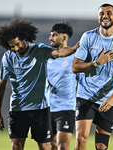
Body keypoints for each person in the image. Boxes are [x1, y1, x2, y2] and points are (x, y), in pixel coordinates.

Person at [0, 19, 79, 150]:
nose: (15, 49)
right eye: (12, 46)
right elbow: (1, 85)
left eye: (17, 44)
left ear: (23, 38)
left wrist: (75, 47)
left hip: (40, 109)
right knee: (16, 146)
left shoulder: (40, 51)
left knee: (45, 147)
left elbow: (60, 52)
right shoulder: (7, 57)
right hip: (17, 109)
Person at [72, 3, 113, 150]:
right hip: (86, 95)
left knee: (101, 146)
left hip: (108, 99)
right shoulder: (88, 37)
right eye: (101, 13)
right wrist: (97, 63)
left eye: (109, 13)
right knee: (81, 140)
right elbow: (75, 67)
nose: (105, 16)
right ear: (98, 17)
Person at [47, 22, 79, 150]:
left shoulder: (74, 58)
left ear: (64, 38)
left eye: (54, 35)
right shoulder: (46, 56)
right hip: (47, 107)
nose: (50, 38)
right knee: (51, 145)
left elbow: (82, 80)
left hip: (66, 108)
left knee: (63, 145)